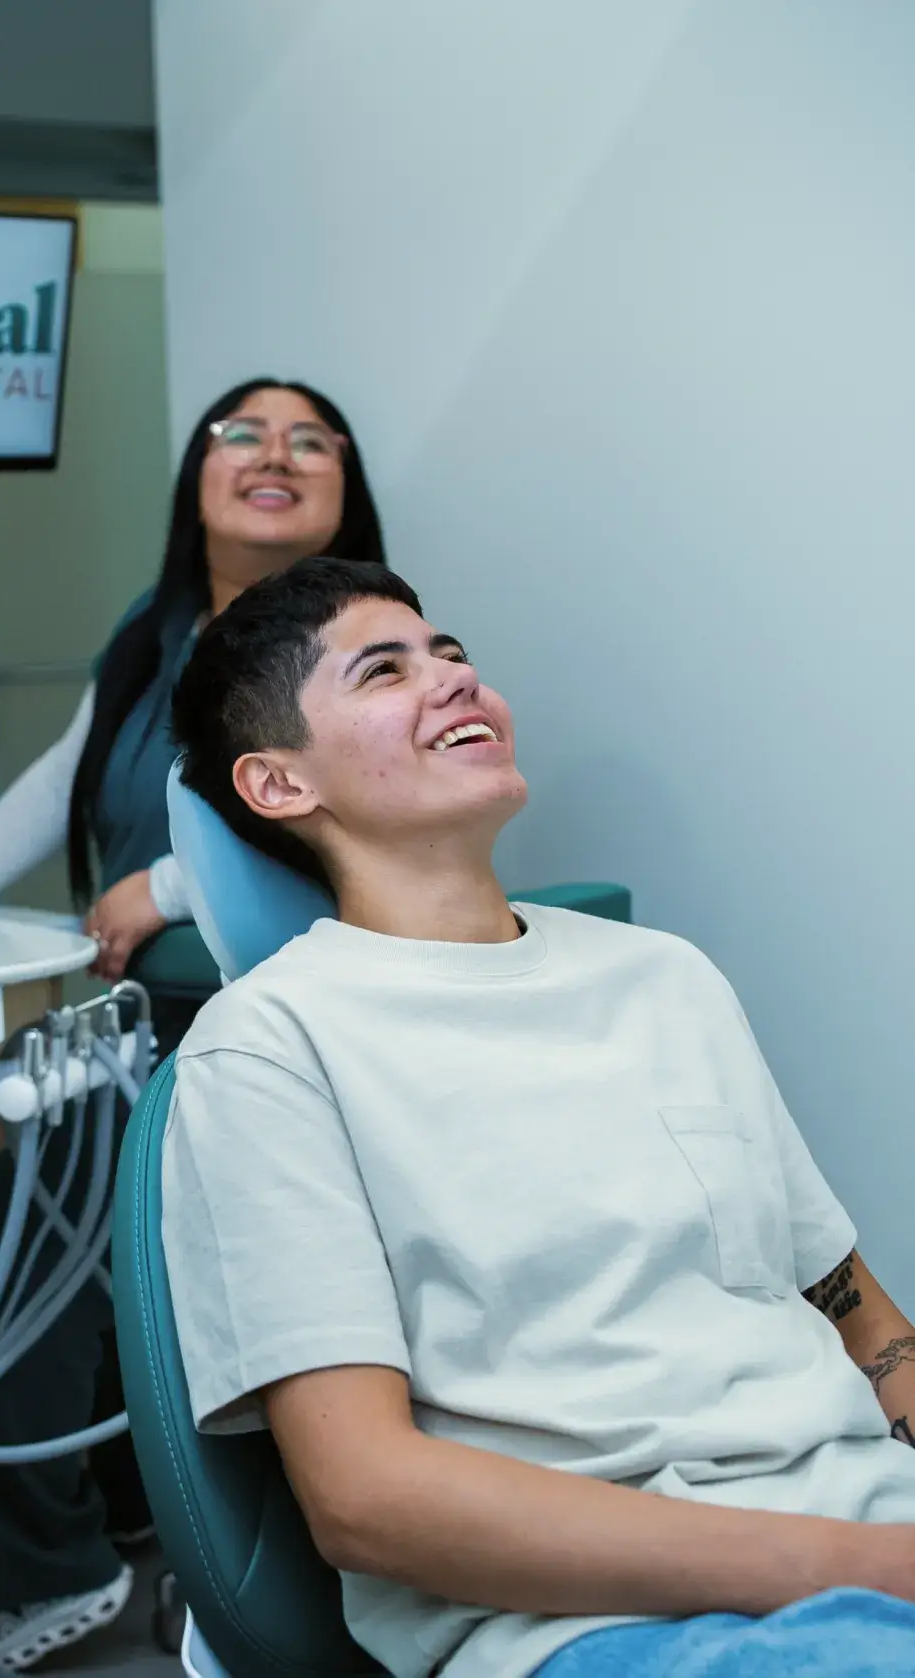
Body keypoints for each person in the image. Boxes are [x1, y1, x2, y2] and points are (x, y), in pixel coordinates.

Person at [163, 554, 915, 1678]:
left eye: (452, 654)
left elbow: (858, 1316)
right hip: (605, 1627)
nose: (455, 679)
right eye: (385, 669)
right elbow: (367, 1500)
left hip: (869, 1536)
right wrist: (854, 1566)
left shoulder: (666, 978)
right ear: (277, 784)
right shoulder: (270, 1049)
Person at [0, 380, 386, 1668]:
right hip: (155, 1014)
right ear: (194, 474)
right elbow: (63, 782)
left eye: (310, 440)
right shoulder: (159, 633)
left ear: (343, 490)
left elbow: (363, 800)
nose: (273, 454)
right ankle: (86, 1535)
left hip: (276, 1022)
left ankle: (33, 1578)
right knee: (38, 1218)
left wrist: (169, 884)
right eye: (239, 431)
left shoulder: (362, 634)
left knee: (20, 1215)